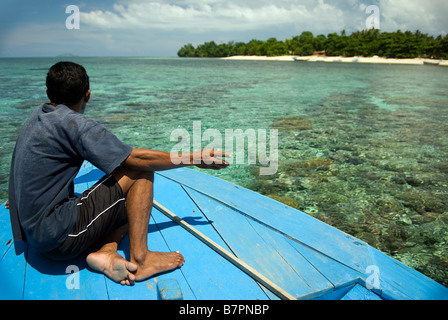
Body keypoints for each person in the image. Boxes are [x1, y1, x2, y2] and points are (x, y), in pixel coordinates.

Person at [8, 61, 230, 286]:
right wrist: (194, 158)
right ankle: (142, 259)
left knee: (132, 207)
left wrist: (25, 199)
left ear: (49, 93)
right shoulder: (75, 124)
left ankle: (107, 251)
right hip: (58, 238)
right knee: (140, 171)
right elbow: (137, 159)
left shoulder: (37, 116)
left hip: (34, 235)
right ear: (88, 95)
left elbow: (23, 164)